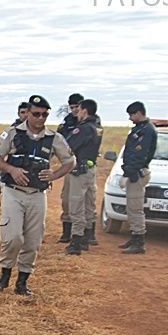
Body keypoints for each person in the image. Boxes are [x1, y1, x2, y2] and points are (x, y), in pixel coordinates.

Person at [0, 95, 76, 296]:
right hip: (14, 193)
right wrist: (11, 169)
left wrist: (54, 174)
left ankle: (22, 281)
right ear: (27, 113)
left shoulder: (54, 138)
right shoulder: (12, 133)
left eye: (45, 114)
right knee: (12, 237)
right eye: (36, 114)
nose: (40, 118)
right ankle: (4, 275)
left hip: (37, 194)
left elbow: (70, 161)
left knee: (33, 240)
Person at [63, 99, 103, 255]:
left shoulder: (83, 129)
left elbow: (67, 146)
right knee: (88, 204)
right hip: (90, 170)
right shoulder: (97, 127)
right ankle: (86, 238)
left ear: (85, 111)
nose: (77, 113)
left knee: (76, 205)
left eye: (78, 110)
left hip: (79, 171)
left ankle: (76, 241)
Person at [119, 101, 158, 254]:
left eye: (131, 115)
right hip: (134, 171)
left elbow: (140, 154)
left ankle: (138, 241)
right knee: (131, 206)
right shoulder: (140, 129)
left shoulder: (147, 130)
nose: (130, 118)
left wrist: (130, 170)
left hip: (137, 172)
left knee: (135, 208)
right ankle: (134, 235)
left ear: (139, 113)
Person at [56, 93, 84, 243]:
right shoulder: (67, 123)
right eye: (71, 107)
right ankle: (66, 232)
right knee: (66, 199)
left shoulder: (89, 122)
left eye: (77, 107)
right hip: (69, 166)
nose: (74, 110)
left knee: (82, 201)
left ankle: (84, 234)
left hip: (84, 168)